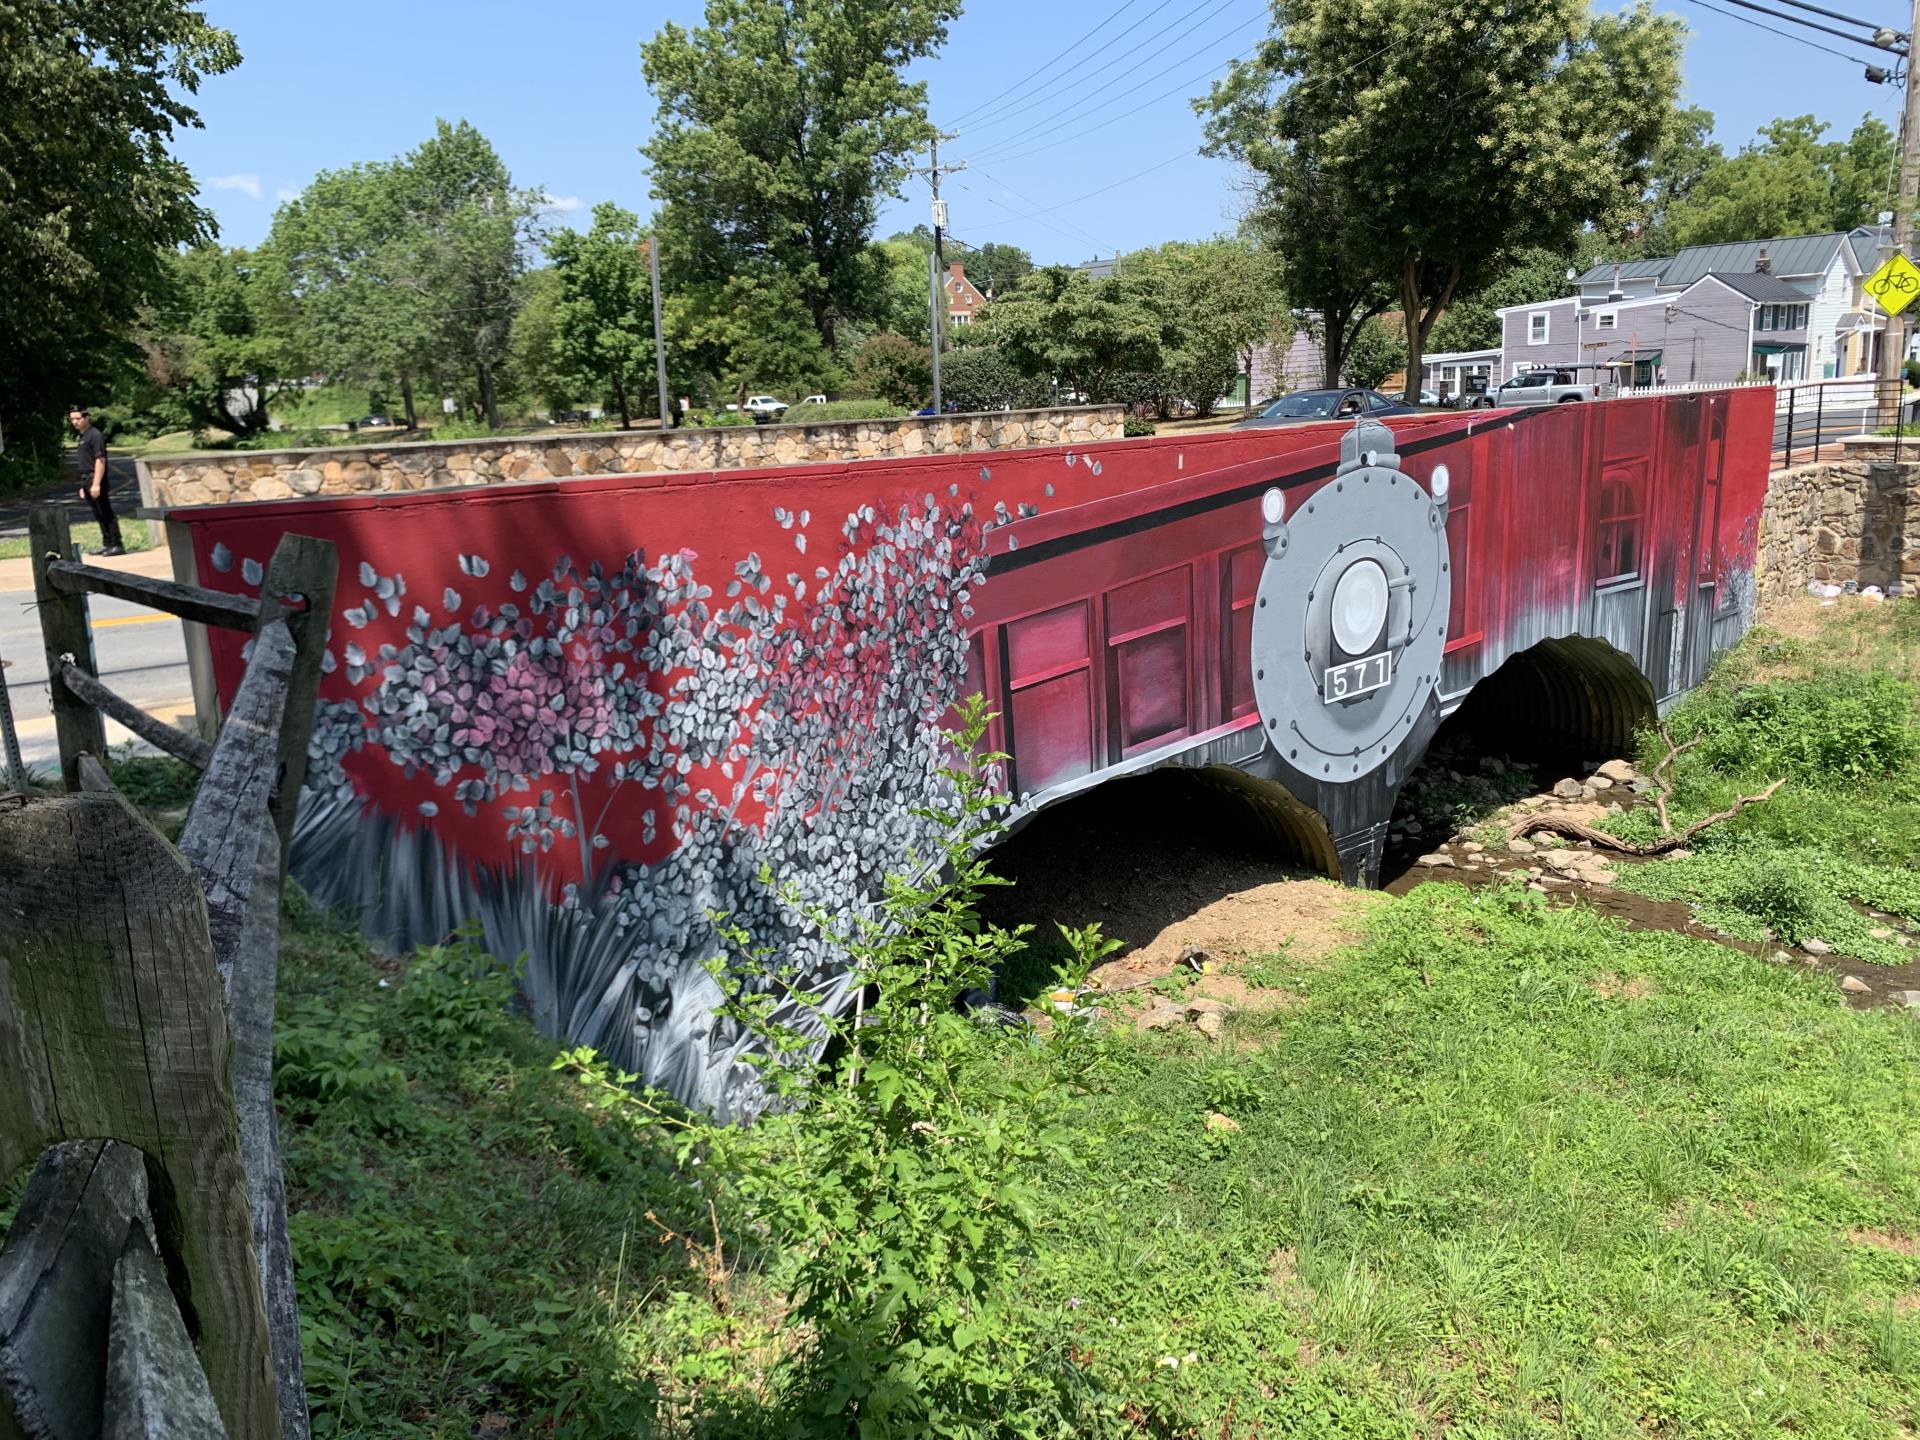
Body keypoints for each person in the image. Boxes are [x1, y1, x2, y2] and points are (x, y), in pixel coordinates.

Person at [67, 407, 124, 557]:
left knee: (105, 511)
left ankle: (117, 544)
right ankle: (107, 543)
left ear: (86, 418)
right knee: (97, 513)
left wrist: (96, 483)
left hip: (95, 477)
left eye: (77, 418)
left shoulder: (95, 435)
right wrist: (83, 485)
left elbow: (100, 460)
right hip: (86, 478)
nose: (74, 422)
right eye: (72, 419)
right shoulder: (83, 436)